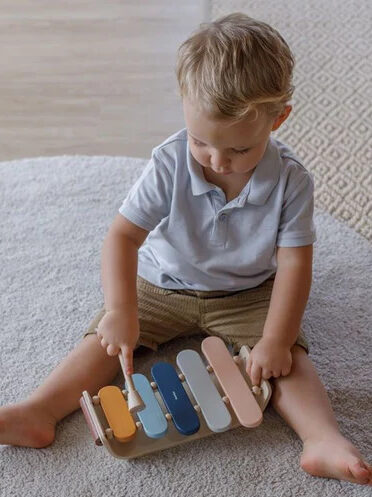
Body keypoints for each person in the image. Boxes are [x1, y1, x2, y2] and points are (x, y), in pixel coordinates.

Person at [0, 12, 370, 486]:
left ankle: (322, 438)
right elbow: (122, 236)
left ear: (278, 120)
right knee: (103, 343)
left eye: (238, 150)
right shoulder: (170, 162)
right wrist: (120, 309)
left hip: (247, 292)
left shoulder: (292, 182)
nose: (218, 160)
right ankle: (41, 411)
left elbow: (296, 262)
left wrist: (276, 338)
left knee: (289, 360)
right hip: (164, 283)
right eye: (202, 141)